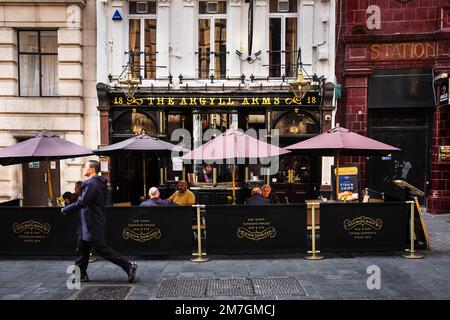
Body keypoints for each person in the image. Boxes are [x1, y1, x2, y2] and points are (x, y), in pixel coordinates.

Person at [61, 160, 137, 283]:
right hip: (88, 222)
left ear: (92, 169)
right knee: (82, 249)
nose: (83, 168)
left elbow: (83, 202)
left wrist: (66, 208)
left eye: (85, 166)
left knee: (101, 250)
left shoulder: (91, 183)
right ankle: (81, 275)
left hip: (91, 223)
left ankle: (128, 266)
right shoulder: (96, 183)